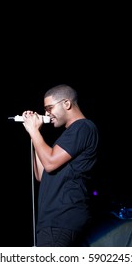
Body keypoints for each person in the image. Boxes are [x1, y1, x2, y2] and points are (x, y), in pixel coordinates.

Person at [21, 84, 99, 247]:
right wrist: (35, 134)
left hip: (62, 219)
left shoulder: (82, 127)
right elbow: (41, 174)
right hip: (53, 222)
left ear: (67, 104)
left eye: (49, 108)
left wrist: (34, 131)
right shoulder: (68, 135)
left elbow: (49, 163)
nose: (46, 114)